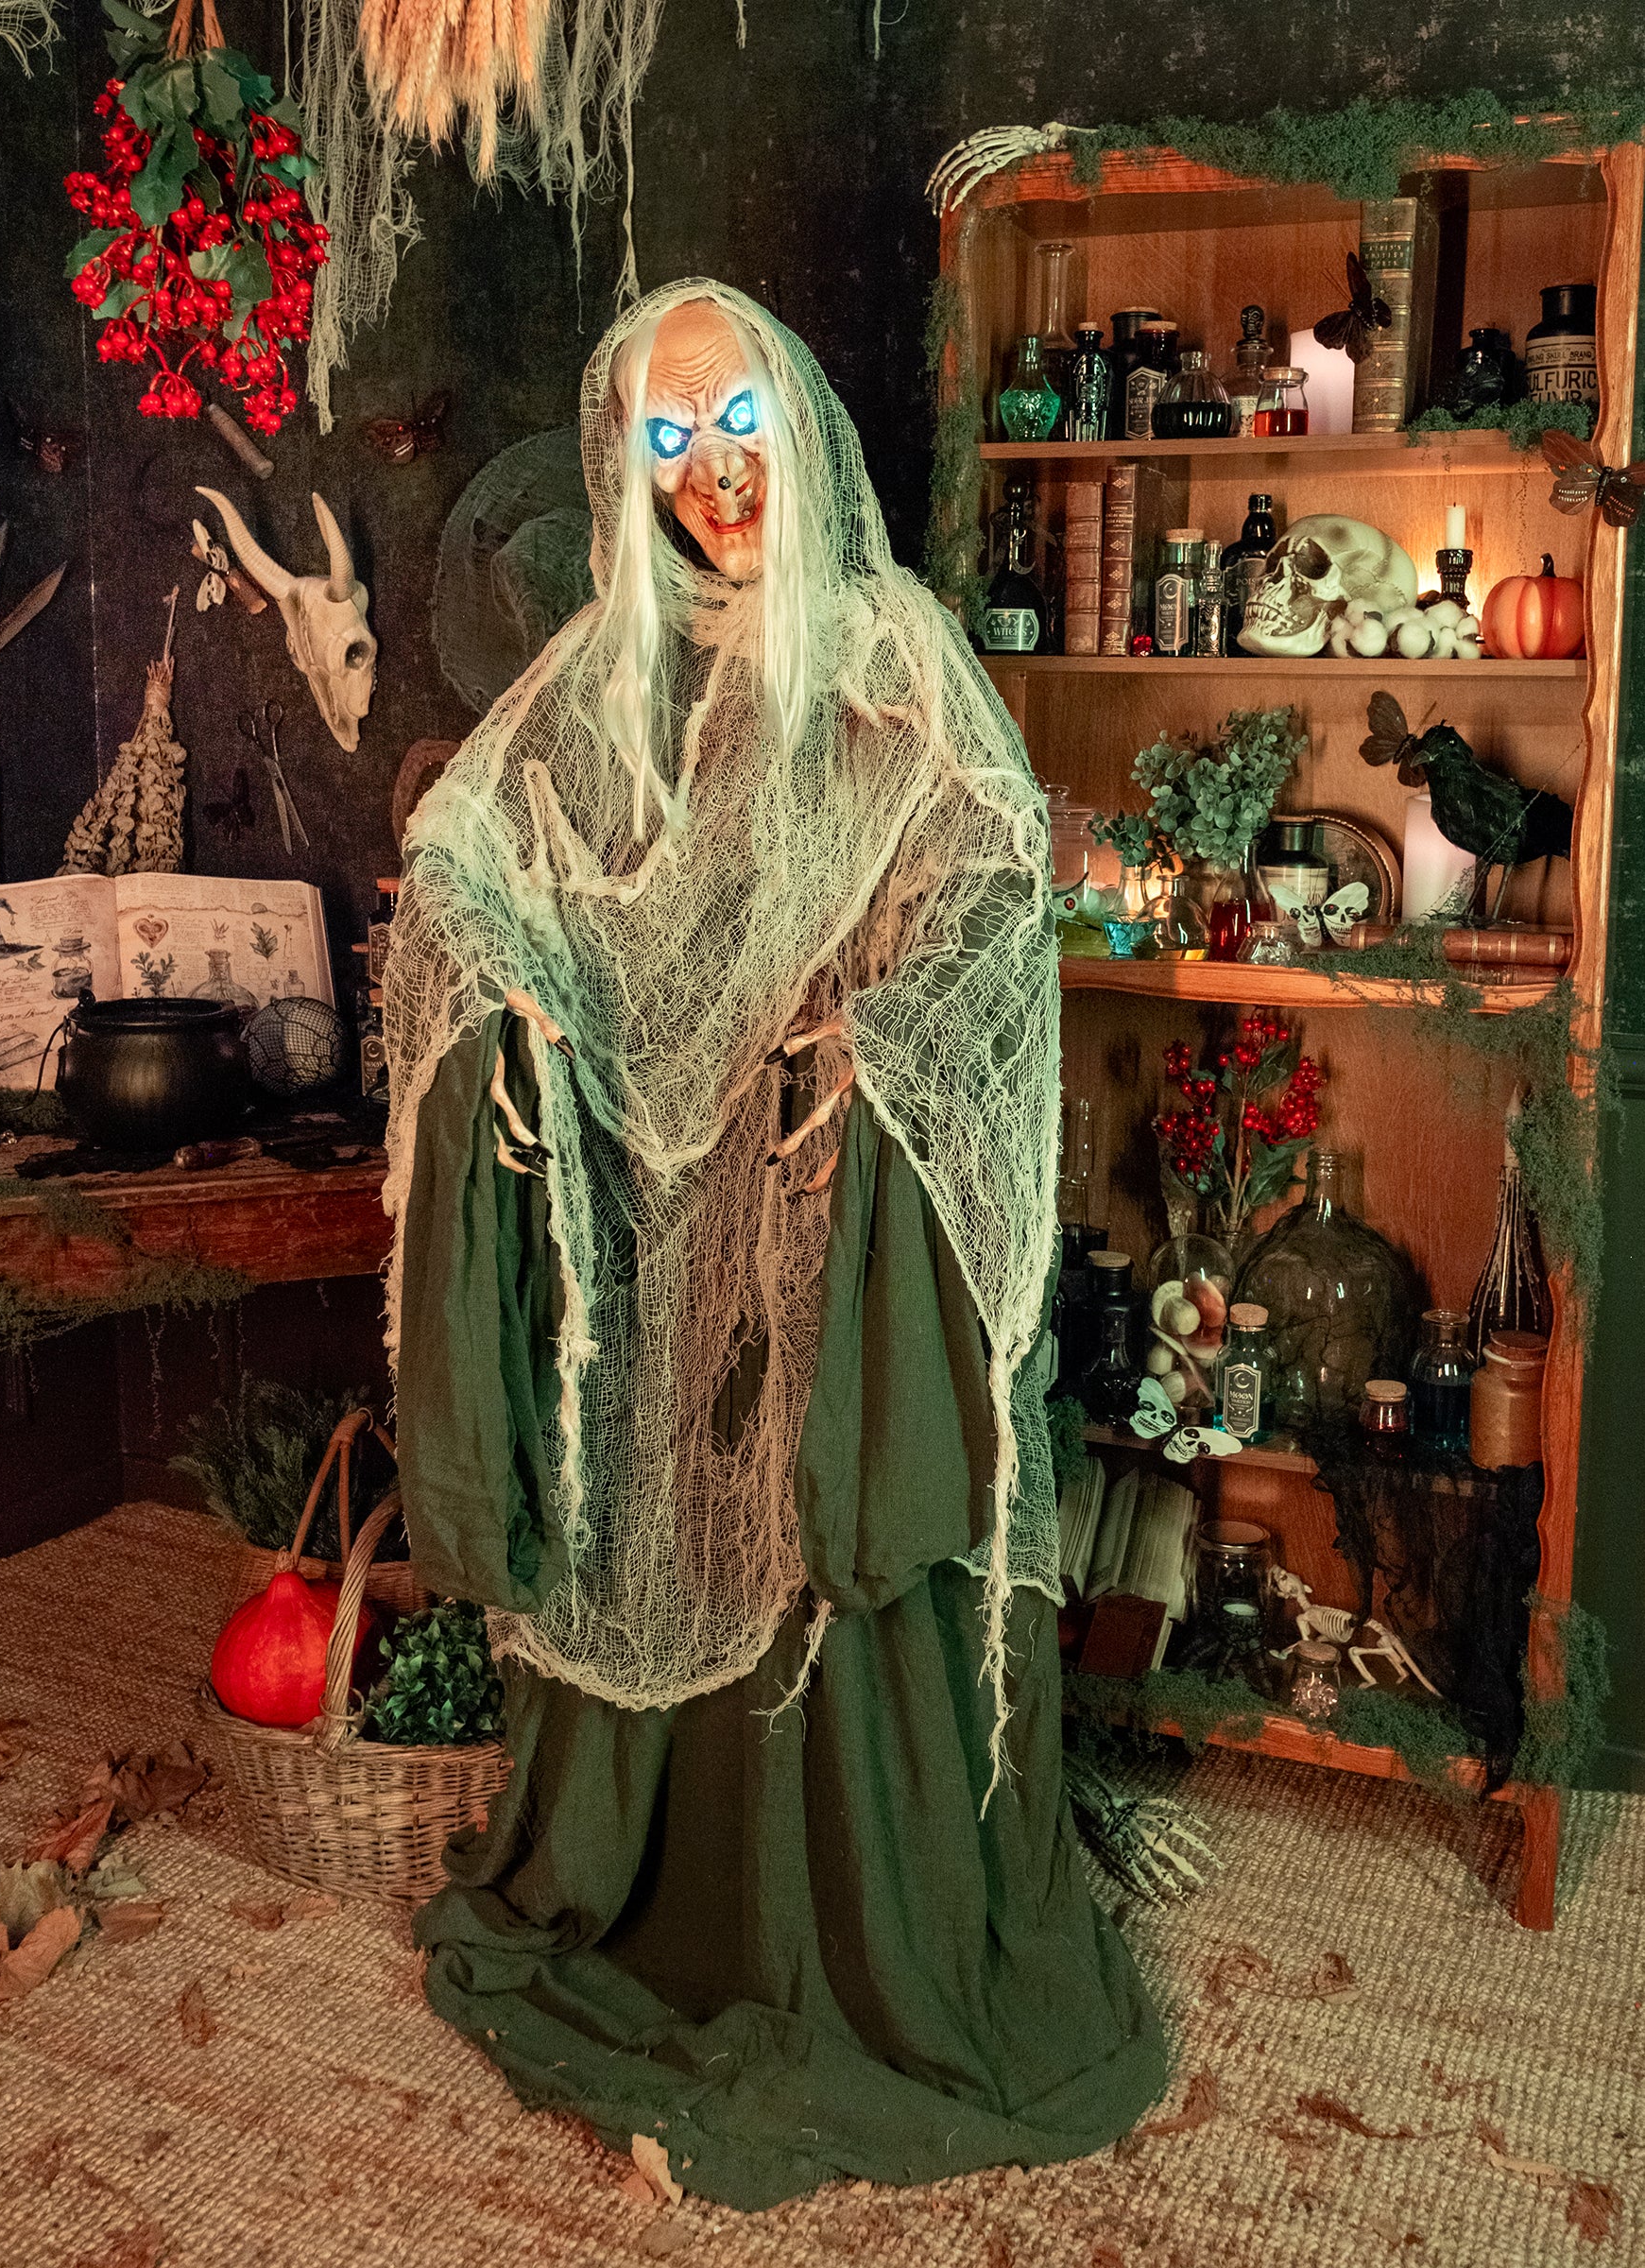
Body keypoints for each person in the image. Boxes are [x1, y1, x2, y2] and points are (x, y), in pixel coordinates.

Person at [383, 279, 1167, 2209]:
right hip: (662, 1214)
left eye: (735, 424)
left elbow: (987, 884)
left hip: (825, 1187)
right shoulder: (607, 670)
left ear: (799, 429)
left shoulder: (891, 647)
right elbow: (467, 853)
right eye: (665, 437)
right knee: (660, 1514)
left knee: (823, 1524)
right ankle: (647, 1894)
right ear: (622, 466)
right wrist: (508, 991)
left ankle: (851, 1936)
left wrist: (875, 1039)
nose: (711, 472)